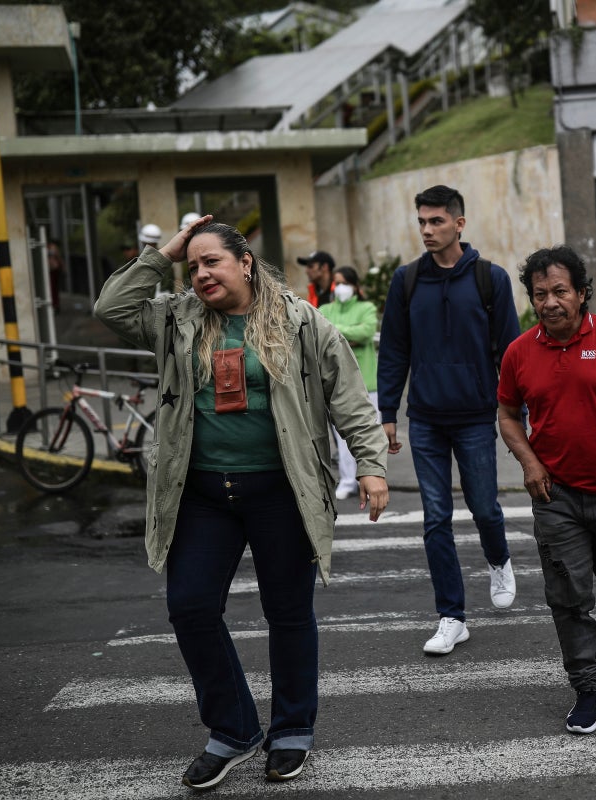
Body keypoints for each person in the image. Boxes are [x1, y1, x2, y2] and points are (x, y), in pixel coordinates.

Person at [94, 216, 390, 790]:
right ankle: (233, 729)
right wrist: (165, 253)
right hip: (203, 494)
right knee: (190, 607)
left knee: (288, 613)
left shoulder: (300, 321)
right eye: (194, 266)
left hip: (282, 489)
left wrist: (371, 465)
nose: (202, 274)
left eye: (213, 261)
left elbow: (348, 396)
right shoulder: (176, 319)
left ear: (246, 263)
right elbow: (112, 307)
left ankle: (292, 729)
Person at [497, 245, 596, 735]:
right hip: (556, 497)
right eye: (539, 294)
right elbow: (507, 415)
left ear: (582, 293)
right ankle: (588, 688)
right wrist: (529, 463)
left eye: (560, 291)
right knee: (567, 596)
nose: (549, 302)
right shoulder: (519, 352)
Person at [377, 184, 522, 655]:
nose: (427, 229)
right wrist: (387, 411)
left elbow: (511, 352)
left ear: (459, 223)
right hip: (425, 418)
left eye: (436, 221)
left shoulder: (489, 278)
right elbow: (394, 347)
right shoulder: (407, 280)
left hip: (476, 416)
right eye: (422, 221)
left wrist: (518, 414)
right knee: (435, 518)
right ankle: (452, 617)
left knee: (484, 508)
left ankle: (499, 560)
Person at [318, 265, 379, 500]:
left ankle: (372, 477)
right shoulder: (325, 309)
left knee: (369, 435)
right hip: (336, 384)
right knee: (343, 439)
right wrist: (346, 336)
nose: (340, 287)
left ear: (355, 286)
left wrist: (336, 334)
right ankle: (347, 480)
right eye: (337, 282)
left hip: (367, 384)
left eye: (345, 282)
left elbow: (366, 332)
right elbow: (319, 334)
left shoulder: (367, 308)